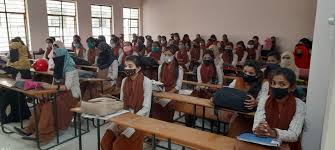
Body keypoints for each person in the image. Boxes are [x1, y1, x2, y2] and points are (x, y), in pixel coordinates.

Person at [14, 42, 80, 143]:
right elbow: (55, 85)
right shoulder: (59, 67)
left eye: (56, 57)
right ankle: (29, 129)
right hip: (60, 94)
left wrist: (50, 87)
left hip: (72, 96)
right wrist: (47, 89)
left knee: (47, 106)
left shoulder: (70, 69)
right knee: (39, 105)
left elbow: (67, 87)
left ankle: (43, 134)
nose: (54, 59)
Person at [100, 55, 152, 150]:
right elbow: (121, 103)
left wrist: (129, 120)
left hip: (139, 119)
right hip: (124, 116)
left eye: (130, 66)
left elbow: (146, 108)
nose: (127, 68)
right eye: (126, 66)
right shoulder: (124, 80)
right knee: (105, 140)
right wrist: (116, 117)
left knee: (118, 145)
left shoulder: (146, 82)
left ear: (138, 68)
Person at [253, 68, 305, 150]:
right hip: (264, 140)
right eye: (273, 83)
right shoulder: (264, 100)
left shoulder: (299, 105)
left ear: (292, 87)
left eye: (282, 84)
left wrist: (273, 132)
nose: (276, 86)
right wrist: (260, 128)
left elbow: (294, 134)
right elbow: (256, 124)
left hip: (287, 145)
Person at [227, 60, 269, 137]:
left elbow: (264, 102)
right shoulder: (239, 80)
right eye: (245, 71)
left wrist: (256, 103)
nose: (246, 74)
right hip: (240, 116)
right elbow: (228, 91)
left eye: (251, 73)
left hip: (257, 118)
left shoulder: (264, 83)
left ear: (257, 74)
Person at [151, 45, 184, 122]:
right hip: (162, 91)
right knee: (155, 104)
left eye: (169, 55)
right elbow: (159, 82)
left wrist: (167, 95)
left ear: (173, 56)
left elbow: (178, 86)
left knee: (169, 106)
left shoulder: (179, 68)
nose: (167, 57)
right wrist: (160, 94)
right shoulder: (160, 67)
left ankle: (167, 125)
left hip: (173, 93)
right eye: (165, 55)